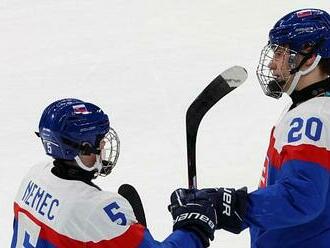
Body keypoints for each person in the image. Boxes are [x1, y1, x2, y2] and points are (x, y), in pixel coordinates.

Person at [171, 8, 330, 248]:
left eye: (280, 52)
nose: (272, 63)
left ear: (309, 57)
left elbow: (301, 197)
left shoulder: (312, 117)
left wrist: (227, 205)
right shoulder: (312, 108)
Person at [11, 98, 217, 247]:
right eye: (98, 142)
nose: (102, 147)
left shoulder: (34, 176)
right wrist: (193, 228)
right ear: (81, 149)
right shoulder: (96, 209)